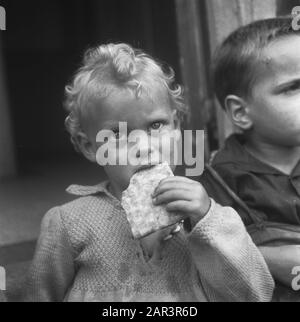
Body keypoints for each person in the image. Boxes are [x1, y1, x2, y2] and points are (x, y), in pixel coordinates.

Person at [23, 43, 273, 302]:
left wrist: (207, 219)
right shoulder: (69, 223)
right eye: (118, 134)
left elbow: (256, 294)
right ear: (90, 146)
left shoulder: (206, 216)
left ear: (176, 127)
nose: (143, 147)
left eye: (156, 125)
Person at [201, 17, 300, 296]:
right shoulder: (218, 179)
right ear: (241, 113)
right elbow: (204, 255)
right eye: (293, 87)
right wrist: (266, 259)